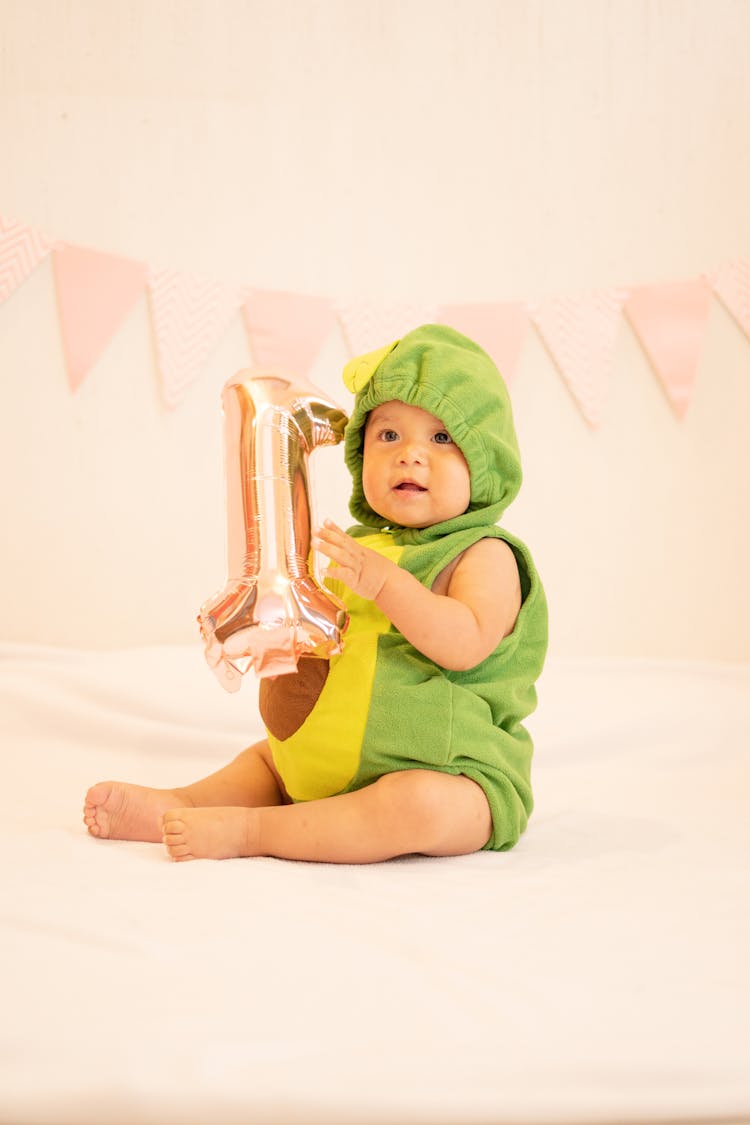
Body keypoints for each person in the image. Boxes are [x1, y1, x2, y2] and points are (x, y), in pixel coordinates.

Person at [83, 325, 548, 863]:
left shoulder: (484, 553)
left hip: (450, 771)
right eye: (389, 436)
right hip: (329, 762)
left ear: (486, 461)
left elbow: (465, 641)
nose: (410, 456)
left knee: (417, 806)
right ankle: (180, 802)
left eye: (442, 438)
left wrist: (385, 585)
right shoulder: (356, 547)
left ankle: (252, 834)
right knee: (266, 764)